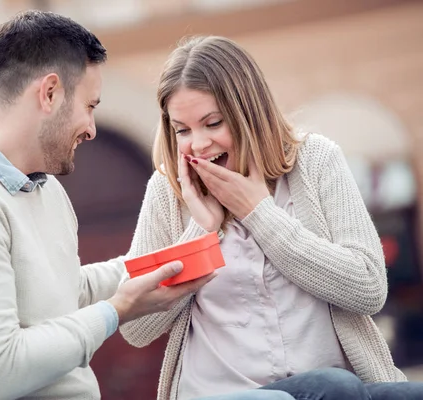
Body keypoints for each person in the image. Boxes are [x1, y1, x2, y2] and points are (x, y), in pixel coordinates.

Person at [0, 11, 220, 400]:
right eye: (90, 106)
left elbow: (68, 291)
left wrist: (183, 254)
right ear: (49, 93)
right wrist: (116, 311)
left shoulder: (42, 187)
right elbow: (2, 371)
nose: (92, 128)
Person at [119, 36, 423, 400]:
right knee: (333, 386)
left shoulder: (317, 160)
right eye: (182, 130)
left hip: (342, 389)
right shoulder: (166, 191)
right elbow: (136, 327)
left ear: (250, 114)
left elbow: (369, 289)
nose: (197, 144)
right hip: (229, 394)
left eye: (212, 123)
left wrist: (259, 214)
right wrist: (202, 233)